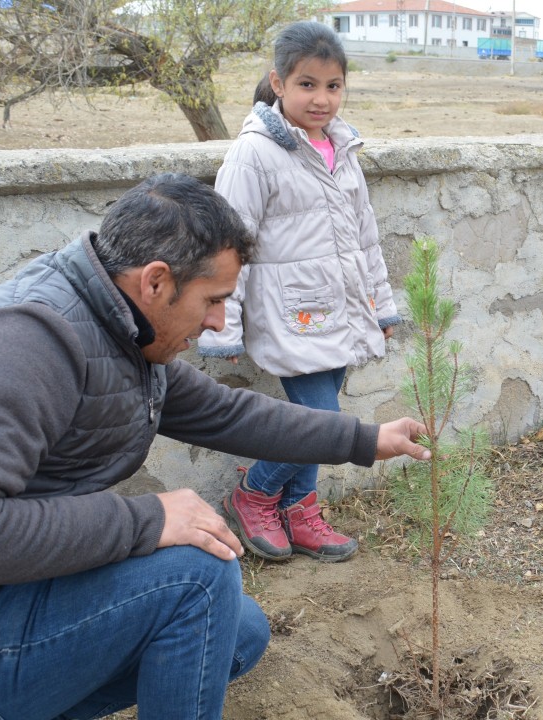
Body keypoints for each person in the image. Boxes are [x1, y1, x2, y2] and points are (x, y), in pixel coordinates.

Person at [0, 173, 430, 720]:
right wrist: (145, 519)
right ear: (155, 281)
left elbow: (224, 412)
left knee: (237, 632)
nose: (219, 320)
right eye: (213, 299)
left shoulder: (121, 331)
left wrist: (364, 439)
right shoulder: (20, 344)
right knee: (196, 576)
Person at [198, 21, 398, 564]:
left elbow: (366, 238)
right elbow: (227, 243)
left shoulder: (341, 147)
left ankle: (299, 509)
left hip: (345, 308)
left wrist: (381, 305)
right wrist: (225, 323)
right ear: (278, 83)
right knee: (324, 422)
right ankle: (256, 494)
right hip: (293, 313)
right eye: (307, 84)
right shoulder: (255, 153)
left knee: (317, 419)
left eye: (333, 86)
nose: (321, 98)